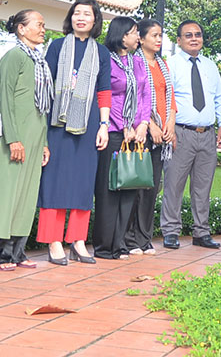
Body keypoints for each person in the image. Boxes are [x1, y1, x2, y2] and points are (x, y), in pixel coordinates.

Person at [37, 0, 112, 264]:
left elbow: (104, 91)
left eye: (87, 14)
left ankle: (78, 241)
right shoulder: (57, 46)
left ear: (95, 21)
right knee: (54, 181)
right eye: (77, 13)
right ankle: (53, 240)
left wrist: (104, 126)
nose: (81, 18)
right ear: (71, 18)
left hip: (89, 121)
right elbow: (46, 84)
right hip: (57, 120)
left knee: (82, 182)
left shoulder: (102, 53)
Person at [0, 9, 52, 271]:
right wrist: (13, 139)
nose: (43, 29)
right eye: (39, 24)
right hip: (15, 137)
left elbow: (42, 106)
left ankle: (17, 252)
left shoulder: (39, 61)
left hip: (34, 137)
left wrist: (43, 142)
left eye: (43, 25)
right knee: (8, 195)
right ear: (21, 29)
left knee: (26, 195)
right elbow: (6, 100)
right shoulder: (14, 57)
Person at [161, 20, 221, 250]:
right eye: (188, 35)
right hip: (181, 132)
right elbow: (166, 98)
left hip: (207, 134)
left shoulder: (210, 66)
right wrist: (169, 129)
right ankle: (170, 231)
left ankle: (201, 232)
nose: (194, 38)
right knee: (173, 184)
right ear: (178, 40)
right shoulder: (170, 65)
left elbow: (219, 97)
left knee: (203, 187)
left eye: (198, 34)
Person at [92, 16, 151, 259]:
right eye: (135, 32)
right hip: (114, 132)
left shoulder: (138, 62)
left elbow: (145, 95)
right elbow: (104, 94)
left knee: (129, 188)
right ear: (122, 34)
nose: (138, 37)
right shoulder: (106, 60)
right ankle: (106, 246)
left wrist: (143, 124)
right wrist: (123, 125)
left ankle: (121, 243)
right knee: (109, 189)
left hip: (136, 134)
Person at [127, 18, 174, 255]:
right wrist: (151, 124)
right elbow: (134, 99)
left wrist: (170, 125)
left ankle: (145, 238)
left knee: (152, 187)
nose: (159, 40)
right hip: (142, 131)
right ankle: (131, 238)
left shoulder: (162, 65)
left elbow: (170, 98)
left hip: (162, 135)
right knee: (136, 186)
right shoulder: (134, 63)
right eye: (154, 35)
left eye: (160, 35)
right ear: (141, 38)